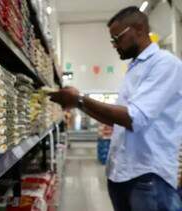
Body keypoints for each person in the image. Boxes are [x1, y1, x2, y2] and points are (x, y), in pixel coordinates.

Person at [50, 6, 182, 211]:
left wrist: (81, 99)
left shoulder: (165, 64)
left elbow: (133, 118)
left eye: (117, 38)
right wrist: (77, 103)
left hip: (148, 175)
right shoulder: (135, 67)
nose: (114, 45)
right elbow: (116, 119)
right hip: (123, 174)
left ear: (138, 29)